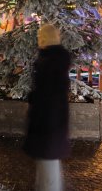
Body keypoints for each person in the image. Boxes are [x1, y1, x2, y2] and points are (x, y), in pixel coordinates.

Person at [24, 23, 71, 191]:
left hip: (48, 121)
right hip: (49, 120)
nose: (38, 39)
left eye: (39, 36)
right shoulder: (52, 59)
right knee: (47, 166)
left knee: (48, 167)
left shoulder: (49, 62)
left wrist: (34, 103)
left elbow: (47, 93)